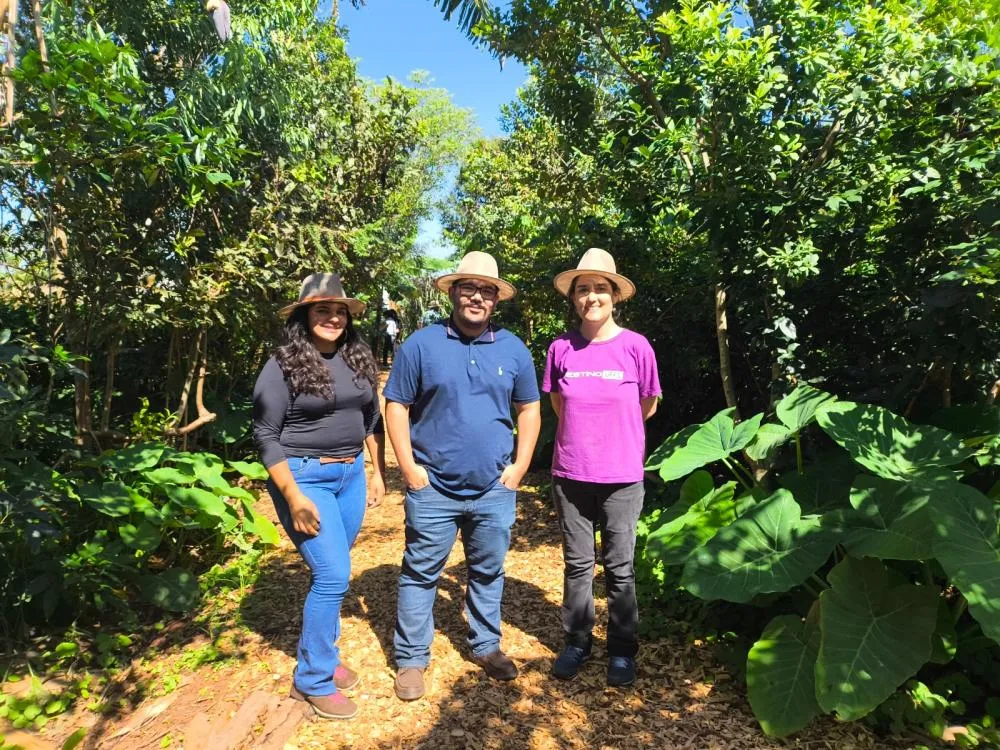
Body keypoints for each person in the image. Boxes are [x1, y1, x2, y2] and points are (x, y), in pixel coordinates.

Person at [383, 251, 541, 701]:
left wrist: (521, 466)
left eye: (486, 290)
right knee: (420, 573)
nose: (476, 297)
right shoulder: (421, 344)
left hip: (494, 487)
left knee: (488, 571)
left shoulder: (512, 349)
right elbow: (396, 404)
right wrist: (409, 469)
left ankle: (486, 646)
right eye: (468, 288)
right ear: (453, 293)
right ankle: (412, 658)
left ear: (495, 299)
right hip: (433, 487)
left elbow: (529, 408)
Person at [252, 273, 386, 720]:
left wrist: (377, 472)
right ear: (304, 316)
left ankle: (322, 657)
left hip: (350, 476)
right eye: (322, 310)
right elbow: (267, 436)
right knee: (333, 575)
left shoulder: (356, 357)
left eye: (339, 311)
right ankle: (311, 680)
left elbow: (371, 419)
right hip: (304, 478)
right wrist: (293, 497)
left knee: (334, 571)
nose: (332, 317)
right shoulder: (282, 364)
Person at [542, 248, 661, 688]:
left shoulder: (636, 347)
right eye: (583, 289)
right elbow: (559, 403)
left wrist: (615, 435)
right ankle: (577, 642)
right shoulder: (560, 349)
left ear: (615, 296)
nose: (592, 296)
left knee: (620, 566)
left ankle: (622, 651)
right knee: (576, 564)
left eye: (600, 288)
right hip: (571, 474)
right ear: (574, 298)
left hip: (622, 476)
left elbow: (646, 404)